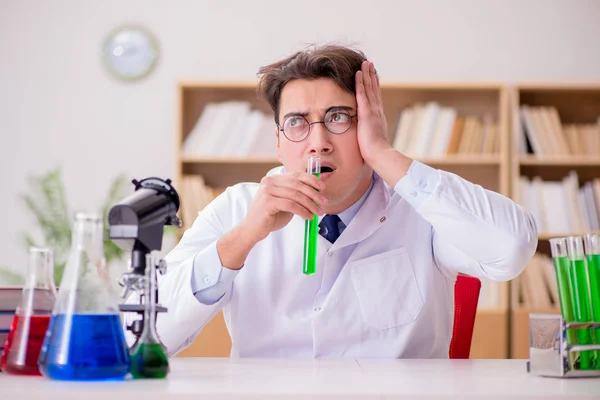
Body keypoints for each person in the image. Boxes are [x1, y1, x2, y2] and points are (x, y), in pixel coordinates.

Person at [139, 45, 537, 358]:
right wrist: (242, 240)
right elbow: (144, 337)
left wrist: (383, 155)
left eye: (338, 118)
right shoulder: (236, 209)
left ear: (367, 126)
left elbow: (512, 248)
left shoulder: (419, 208)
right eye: (297, 122)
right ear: (278, 142)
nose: (318, 142)